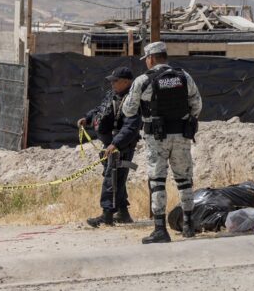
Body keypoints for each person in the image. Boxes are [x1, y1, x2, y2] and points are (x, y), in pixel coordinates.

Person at [123, 42, 203, 244]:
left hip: (157, 138)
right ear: (165, 56)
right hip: (182, 135)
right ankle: (188, 225)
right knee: (184, 180)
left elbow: (128, 110)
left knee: (157, 181)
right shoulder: (184, 76)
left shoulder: (144, 80)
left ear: (151, 58)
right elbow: (197, 104)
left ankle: (160, 229)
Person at [78, 67, 141, 227]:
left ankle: (106, 215)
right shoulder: (113, 95)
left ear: (126, 82)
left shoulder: (132, 100)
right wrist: (87, 118)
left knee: (111, 179)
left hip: (121, 147)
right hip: (110, 146)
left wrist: (116, 143)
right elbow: (100, 109)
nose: (112, 83)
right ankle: (123, 213)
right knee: (116, 179)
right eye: (111, 81)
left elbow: (131, 127)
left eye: (115, 81)